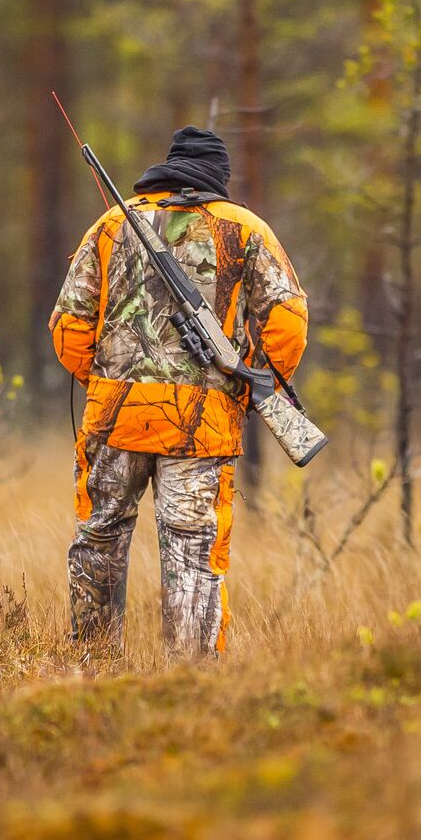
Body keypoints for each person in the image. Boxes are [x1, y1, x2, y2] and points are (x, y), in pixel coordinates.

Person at [49, 126, 309, 655]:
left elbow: (68, 327)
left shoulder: (109, 225)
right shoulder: (246, 228)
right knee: (192, 550)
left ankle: (90, 671)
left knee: (100, 541)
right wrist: (242, 381)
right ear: (219, 177)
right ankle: (189, 684)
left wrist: (102, 383)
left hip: (114, 419)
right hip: (201, 428)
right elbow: (287, 323)